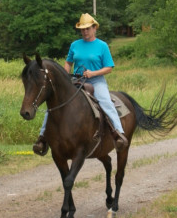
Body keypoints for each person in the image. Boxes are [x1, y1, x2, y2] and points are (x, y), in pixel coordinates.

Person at [33, 13, 128, 156]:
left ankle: (118, 134)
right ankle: (42, 138)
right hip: (76, 81)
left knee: (106, 102)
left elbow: (109, 68)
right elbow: (68, 62)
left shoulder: (102, 46)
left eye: (88, 28)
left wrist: (93, 73)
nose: (85, 31)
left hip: (96, 81)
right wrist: (65, 75)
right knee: (53, 105)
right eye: (82, 29)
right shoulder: (75, 45)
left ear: (94, 28)